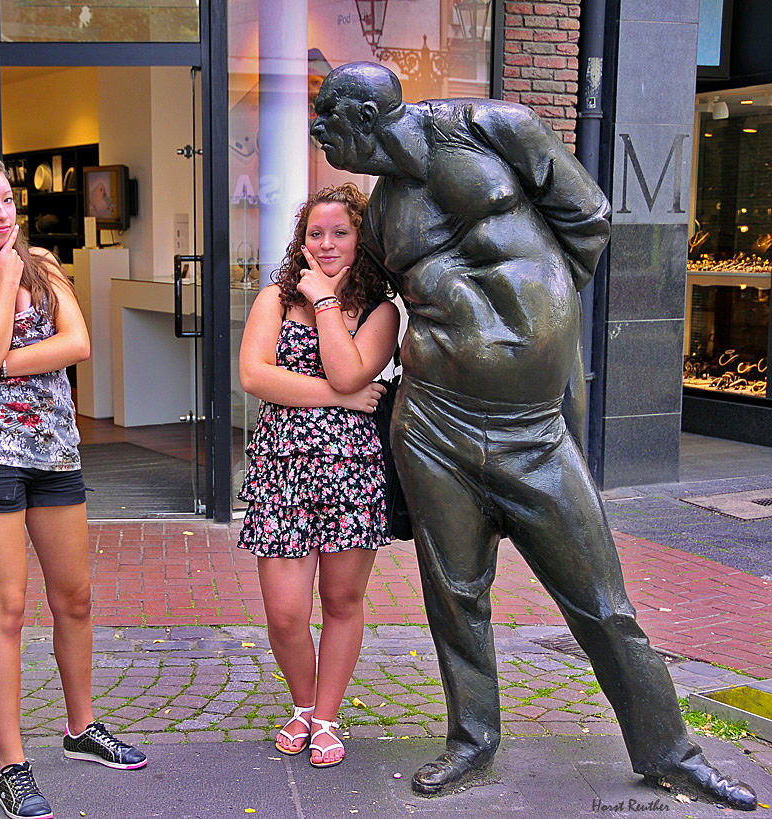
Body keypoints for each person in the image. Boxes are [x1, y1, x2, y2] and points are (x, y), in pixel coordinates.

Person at [309, 62, 757, 811]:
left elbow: (587, 215)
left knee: (601, 599)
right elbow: (389, 297)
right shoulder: (384, 215)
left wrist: (540, 315)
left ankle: (671, 752)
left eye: (328, 117)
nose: (320, 134)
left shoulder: (492, 128)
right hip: (435, 423)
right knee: (455, 594)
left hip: (533, 426)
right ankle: (472, 740)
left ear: (366, 112)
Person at [0, 153, 146, 819]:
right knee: (9, 608)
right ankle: (12, 764)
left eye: (5, 201)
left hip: (54, 453)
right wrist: (5, 281)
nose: (1, 215)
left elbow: (76, 344)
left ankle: (81, 729)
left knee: (74, 597)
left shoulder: (45, 263)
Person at [237, 183, 400, 768]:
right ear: (300, 239)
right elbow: (255, 378)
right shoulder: (274, 301)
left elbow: (350, 367)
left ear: (362, 240)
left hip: (352, 472)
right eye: (315, 233)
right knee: (284, 612)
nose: (326, 244)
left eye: (340, 233)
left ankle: (325, 716)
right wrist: (342, 399)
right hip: (281, 468)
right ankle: (301, 703)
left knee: (340, 599)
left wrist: (326, 301)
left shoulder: (382, 312)